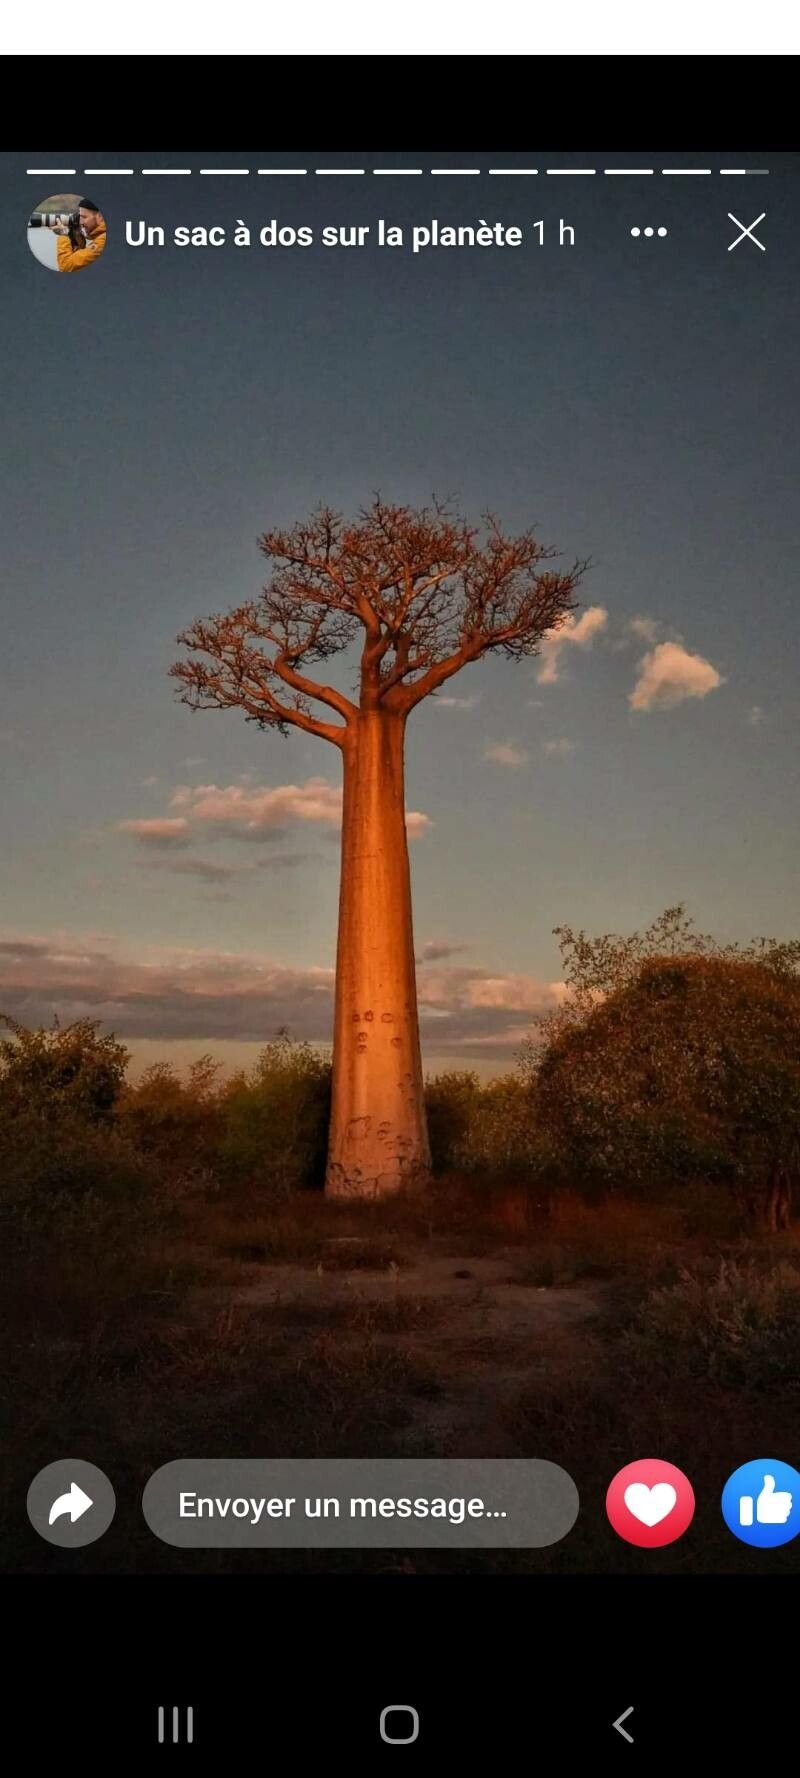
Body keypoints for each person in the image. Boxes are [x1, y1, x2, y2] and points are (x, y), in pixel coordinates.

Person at [50, 199, 107, 272]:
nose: (80, 222)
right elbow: (80, 263)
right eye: (80, 217)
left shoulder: (102, 241)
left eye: (84, 217)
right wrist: (76, 236)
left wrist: (64, 235)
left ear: (100, 217)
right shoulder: (101, 236)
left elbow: (66, 266)